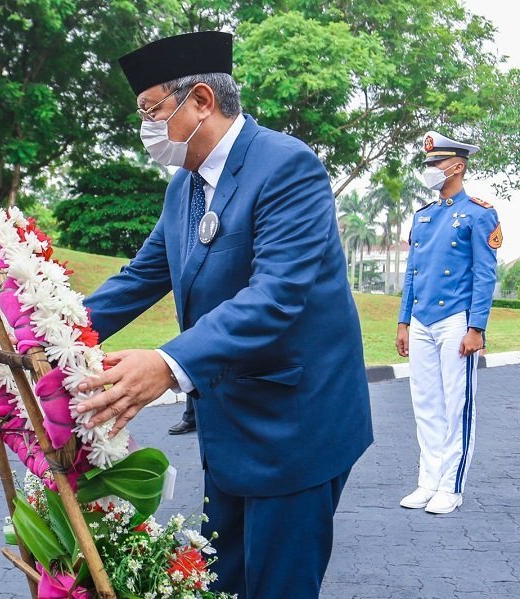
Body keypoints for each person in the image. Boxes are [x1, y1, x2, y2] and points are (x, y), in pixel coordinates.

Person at [75, 32, 373, 598]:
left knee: (278, 585)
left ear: (202, 101)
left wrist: (166, 363)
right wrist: (49, 330)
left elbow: (276, 295)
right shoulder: (184, 186)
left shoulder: (287, 167)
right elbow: (141, 277)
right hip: (231, 425)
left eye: (151, 110)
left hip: (294, 425)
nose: (145, 127)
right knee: (220, 581)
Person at [396, 131, 500, 515]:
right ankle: (429, 481)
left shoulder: (478, 212)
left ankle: (451, 487)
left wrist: (477, 328)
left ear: (457, 165)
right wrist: (403, 320)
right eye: (428, 164)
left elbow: (484, 275)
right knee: (425, 404)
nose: (430, 170)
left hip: (456, 319)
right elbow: (412, 272)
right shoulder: (423, 216)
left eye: (435, 163)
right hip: (422, 319)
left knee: (457, 404)